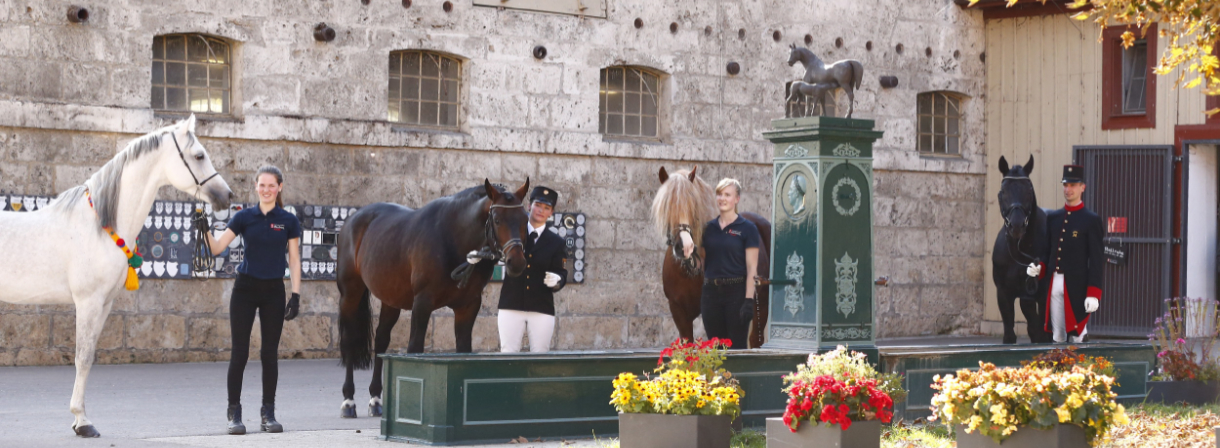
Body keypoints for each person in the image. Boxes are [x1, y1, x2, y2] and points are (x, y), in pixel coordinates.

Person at [197, 166, 302, 435]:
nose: (266, 189)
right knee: (240, 353)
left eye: (271, 185)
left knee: (269, 354)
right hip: (245, 289)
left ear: (279, 187)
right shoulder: (244, 217)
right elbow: (218, 247)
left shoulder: (288, 220)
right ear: (256, 187)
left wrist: (296, 294)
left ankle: (268, 413)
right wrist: (205, 230)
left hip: (274, 292)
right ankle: (234, 412)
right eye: (262, 185)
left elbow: (294, 259)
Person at [1030, 164, 1104, 343]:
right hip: (1054, 282)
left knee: (1078, 335)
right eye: (1066, 185)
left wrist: (1093, 292)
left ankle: (1082, 370)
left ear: (1082, 187)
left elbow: (1096, 260)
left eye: (1073, 185)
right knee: (1058, 336)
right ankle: (1060, 370)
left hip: (1076, 287)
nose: (1068, 189)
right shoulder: (1054, 218)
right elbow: (1048, 251)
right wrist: (1039, 267)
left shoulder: (1091, 220)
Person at [490, 186, 568, 353]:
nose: (541, 210)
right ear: (529, 206)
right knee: (508, 355)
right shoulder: (513, 234)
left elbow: (562, 271)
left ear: (551, 213)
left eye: (546, 208)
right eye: (538, 205)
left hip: (541, 307)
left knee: (540, 355)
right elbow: (494, 249)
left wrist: (558, 280)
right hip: (511, 304)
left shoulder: (556, 242)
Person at [700, 178, 760, 349]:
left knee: (736, 348)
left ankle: (736, 377)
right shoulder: (707, 228)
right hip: (710, 295)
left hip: (737, 294)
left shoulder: (748, 228)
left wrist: (748, 300)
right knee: (715, 349)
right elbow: (699, 258)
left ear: (737, 199)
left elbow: (752, 268)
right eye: (719, 194)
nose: (722, 198)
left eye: (727, 194)